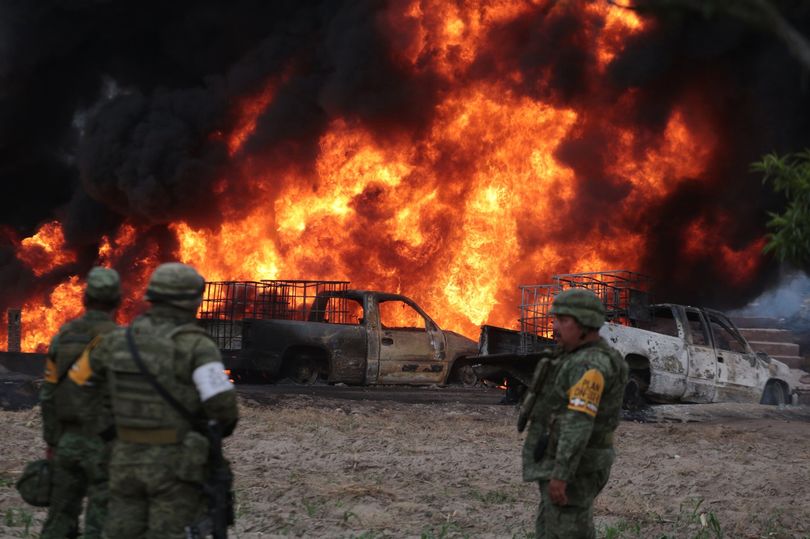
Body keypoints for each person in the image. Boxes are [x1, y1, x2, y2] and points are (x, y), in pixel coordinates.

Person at [73, 262, 239, 538]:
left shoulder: (114, 340)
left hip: (123, 459)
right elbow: (224, 410)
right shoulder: (197, 346)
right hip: (176, 467)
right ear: (192, 302)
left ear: (151, 298)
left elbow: (79, 386)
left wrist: (108, 431)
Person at [521, 288, 628, 538]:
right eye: (555, 319)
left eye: (563, 320)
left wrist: (562, 474)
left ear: (585, 324)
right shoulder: (577, 356)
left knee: (569, 530)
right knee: (550, 528)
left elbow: (578, 423)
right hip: (567, 462)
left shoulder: (588, 366)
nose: (555, 326)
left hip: (576, 468)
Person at [40, 267, 121, 539]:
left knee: (59, 520)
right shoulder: (124, 342)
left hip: (68, 442)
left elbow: (48, 393)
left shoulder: (62, 337)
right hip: (107, 444)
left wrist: (52, 441)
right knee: (102, 521)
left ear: (85, 298)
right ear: (118, 301)